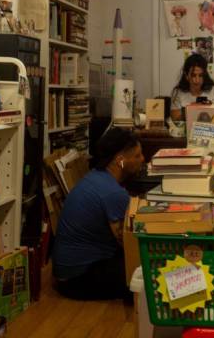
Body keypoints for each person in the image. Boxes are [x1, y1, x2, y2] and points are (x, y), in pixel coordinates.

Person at [52, 128, 145, 301]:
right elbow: (126, 243)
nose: (142, 159)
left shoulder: (96, 176)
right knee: (149, 274)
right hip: (78, 279)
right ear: (120, 161)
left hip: (68, 272)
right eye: (137, 156)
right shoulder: (113, 193)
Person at [170, 53, 214, 121]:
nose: (197, 80)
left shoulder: (213, 90)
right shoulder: (178, 92)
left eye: (200, 75)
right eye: (193, 75)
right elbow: (175, 119)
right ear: (186, 75)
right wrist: (192, 109)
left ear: (204, 75)